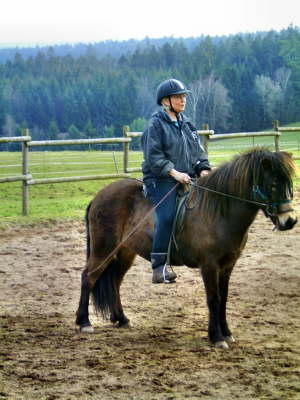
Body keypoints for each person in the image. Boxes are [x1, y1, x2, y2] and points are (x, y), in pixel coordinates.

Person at [141, 78, 211, 284]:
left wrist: (204, 169)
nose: (183, 100)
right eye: (178, 97)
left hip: (187, 176)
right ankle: (159, 266)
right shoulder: (155, 125)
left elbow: (198, 152)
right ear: (165, 102)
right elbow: (154, 158)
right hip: (161, 179)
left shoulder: (187, 124)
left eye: (184, 96)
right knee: (167, 215)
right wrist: (175, 173)